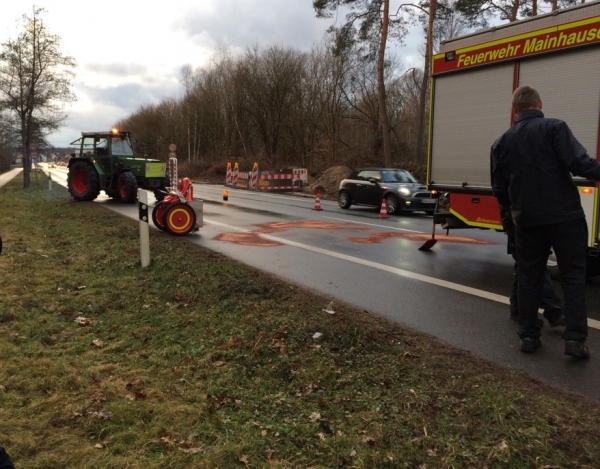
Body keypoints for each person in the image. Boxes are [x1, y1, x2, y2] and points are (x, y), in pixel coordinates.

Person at [491, 85, 600, 358]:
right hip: (565, 217)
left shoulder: (501, 143)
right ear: (540, 104)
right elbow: (580, 163)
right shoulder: (555, 128)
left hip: (526, 221)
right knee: (574, 277)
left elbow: (500, 190)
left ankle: (529, 336)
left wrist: (511, 223)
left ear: (514, 109)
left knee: (529, 276)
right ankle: (575, 341)